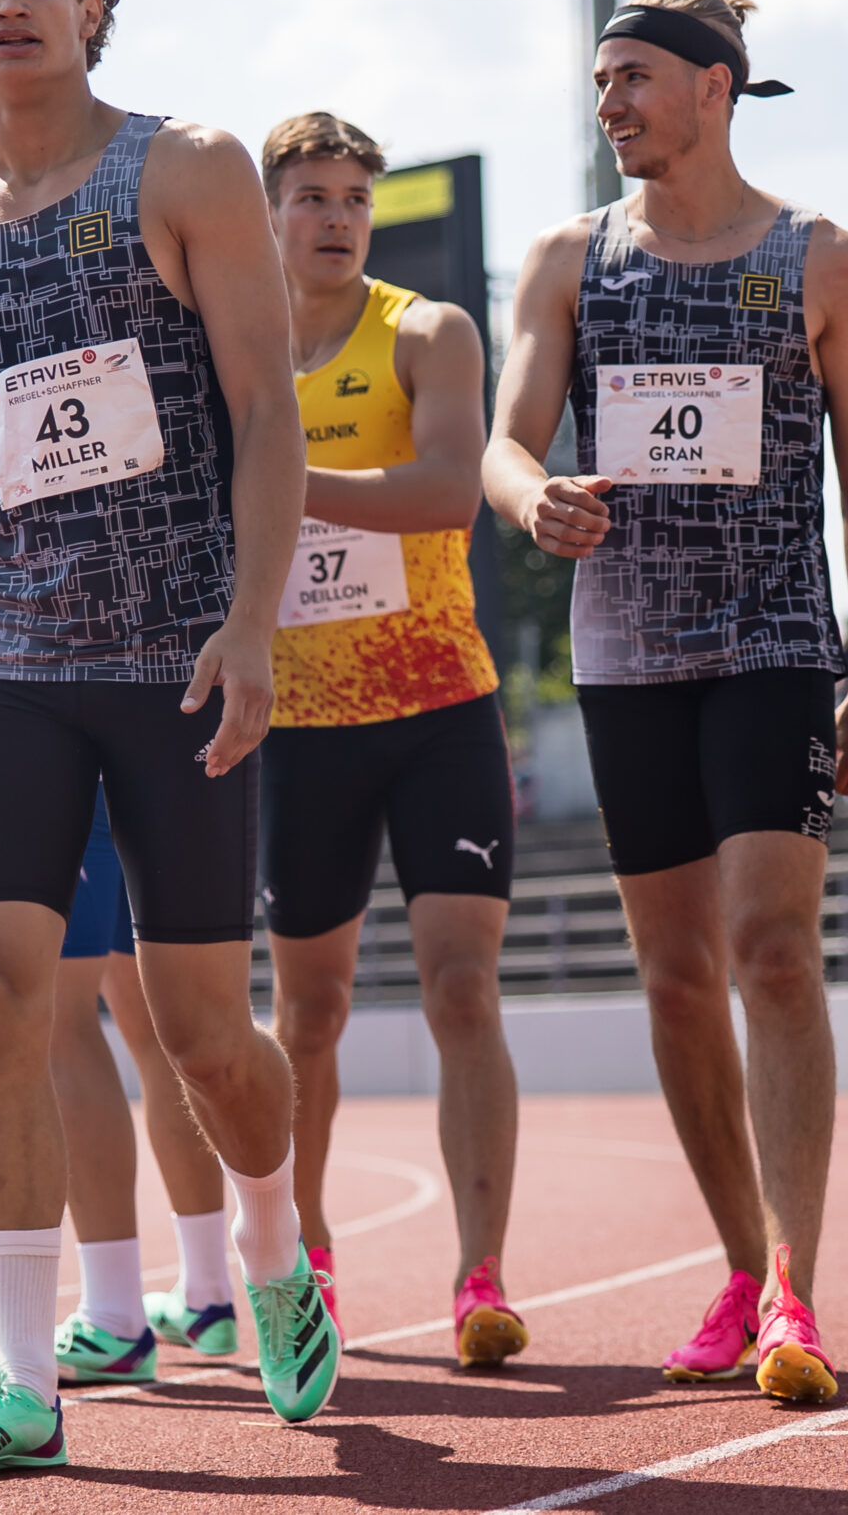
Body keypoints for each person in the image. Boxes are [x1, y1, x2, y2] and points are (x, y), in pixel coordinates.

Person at [0, 0, 324, 1480]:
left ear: (92, 5)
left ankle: (272, 1248)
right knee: (0, 995)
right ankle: (18, 1375)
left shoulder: (184, 171)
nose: (10, 6)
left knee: (203, 1036)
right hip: (6, 659)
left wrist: (254, 623)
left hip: (175, 652)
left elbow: (268, 412)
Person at [483, 0, 848, 1405]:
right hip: (627, 658)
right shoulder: (567, 259)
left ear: (717, 86)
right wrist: (534, 497)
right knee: (673, 979)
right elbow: (504, 441)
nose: (609, 104)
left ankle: (795, 1288)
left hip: (779, 639)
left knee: (772, 951)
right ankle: (739, 1262)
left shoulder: (822, 258)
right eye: (599, 82)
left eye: (635, 79)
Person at [254, 113, 527, 1369]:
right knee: (304, 1012)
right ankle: (306, 1252)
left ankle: (479, 1271)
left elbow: (446, 490)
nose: (335, 217)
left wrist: (276, 479)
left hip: (435, 707)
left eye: (353, 197)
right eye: (309, 195)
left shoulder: (425, 330)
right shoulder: (232, 358)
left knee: (459, 988)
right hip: (297, 726)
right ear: (265, 212)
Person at [0, 662, 242, 1384]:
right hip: (156, 702)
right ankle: (206, 1290)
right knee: (162, 1022)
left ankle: (114, 1315)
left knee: (63, 1021)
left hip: (44, 719)